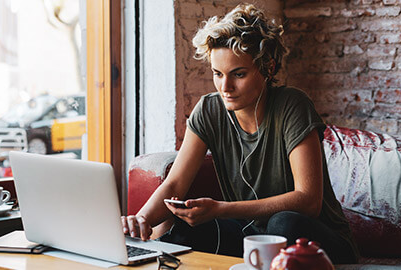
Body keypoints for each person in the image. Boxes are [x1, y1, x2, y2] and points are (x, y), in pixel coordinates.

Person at [121, 3, 359, 264]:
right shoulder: (209, 110)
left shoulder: (292, 105)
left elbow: (307, 200)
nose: (226, 87)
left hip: (312, 241)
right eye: (217, 74)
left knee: (283, 223)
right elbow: (175, 184)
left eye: (239, 74)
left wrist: (220, 210)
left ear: (268, 67)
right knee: (182, 231)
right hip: (250, 234)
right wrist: (141, 219)